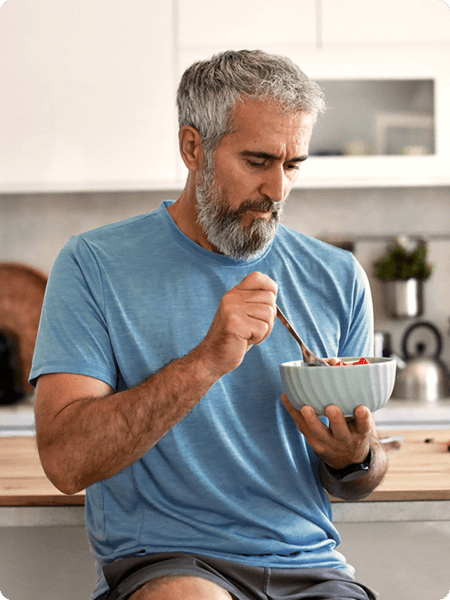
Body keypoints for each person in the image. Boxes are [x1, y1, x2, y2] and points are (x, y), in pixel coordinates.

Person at [30, 50, 387, 600]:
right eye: (258, 160)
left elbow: (361, 476)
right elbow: (66, 463)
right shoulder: (92, 265)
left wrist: (355, 458)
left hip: (311, 566)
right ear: (192, 147)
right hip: (171, 562)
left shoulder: (337, 276)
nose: (278, 190)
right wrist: (207, 361)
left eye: (292, 165)